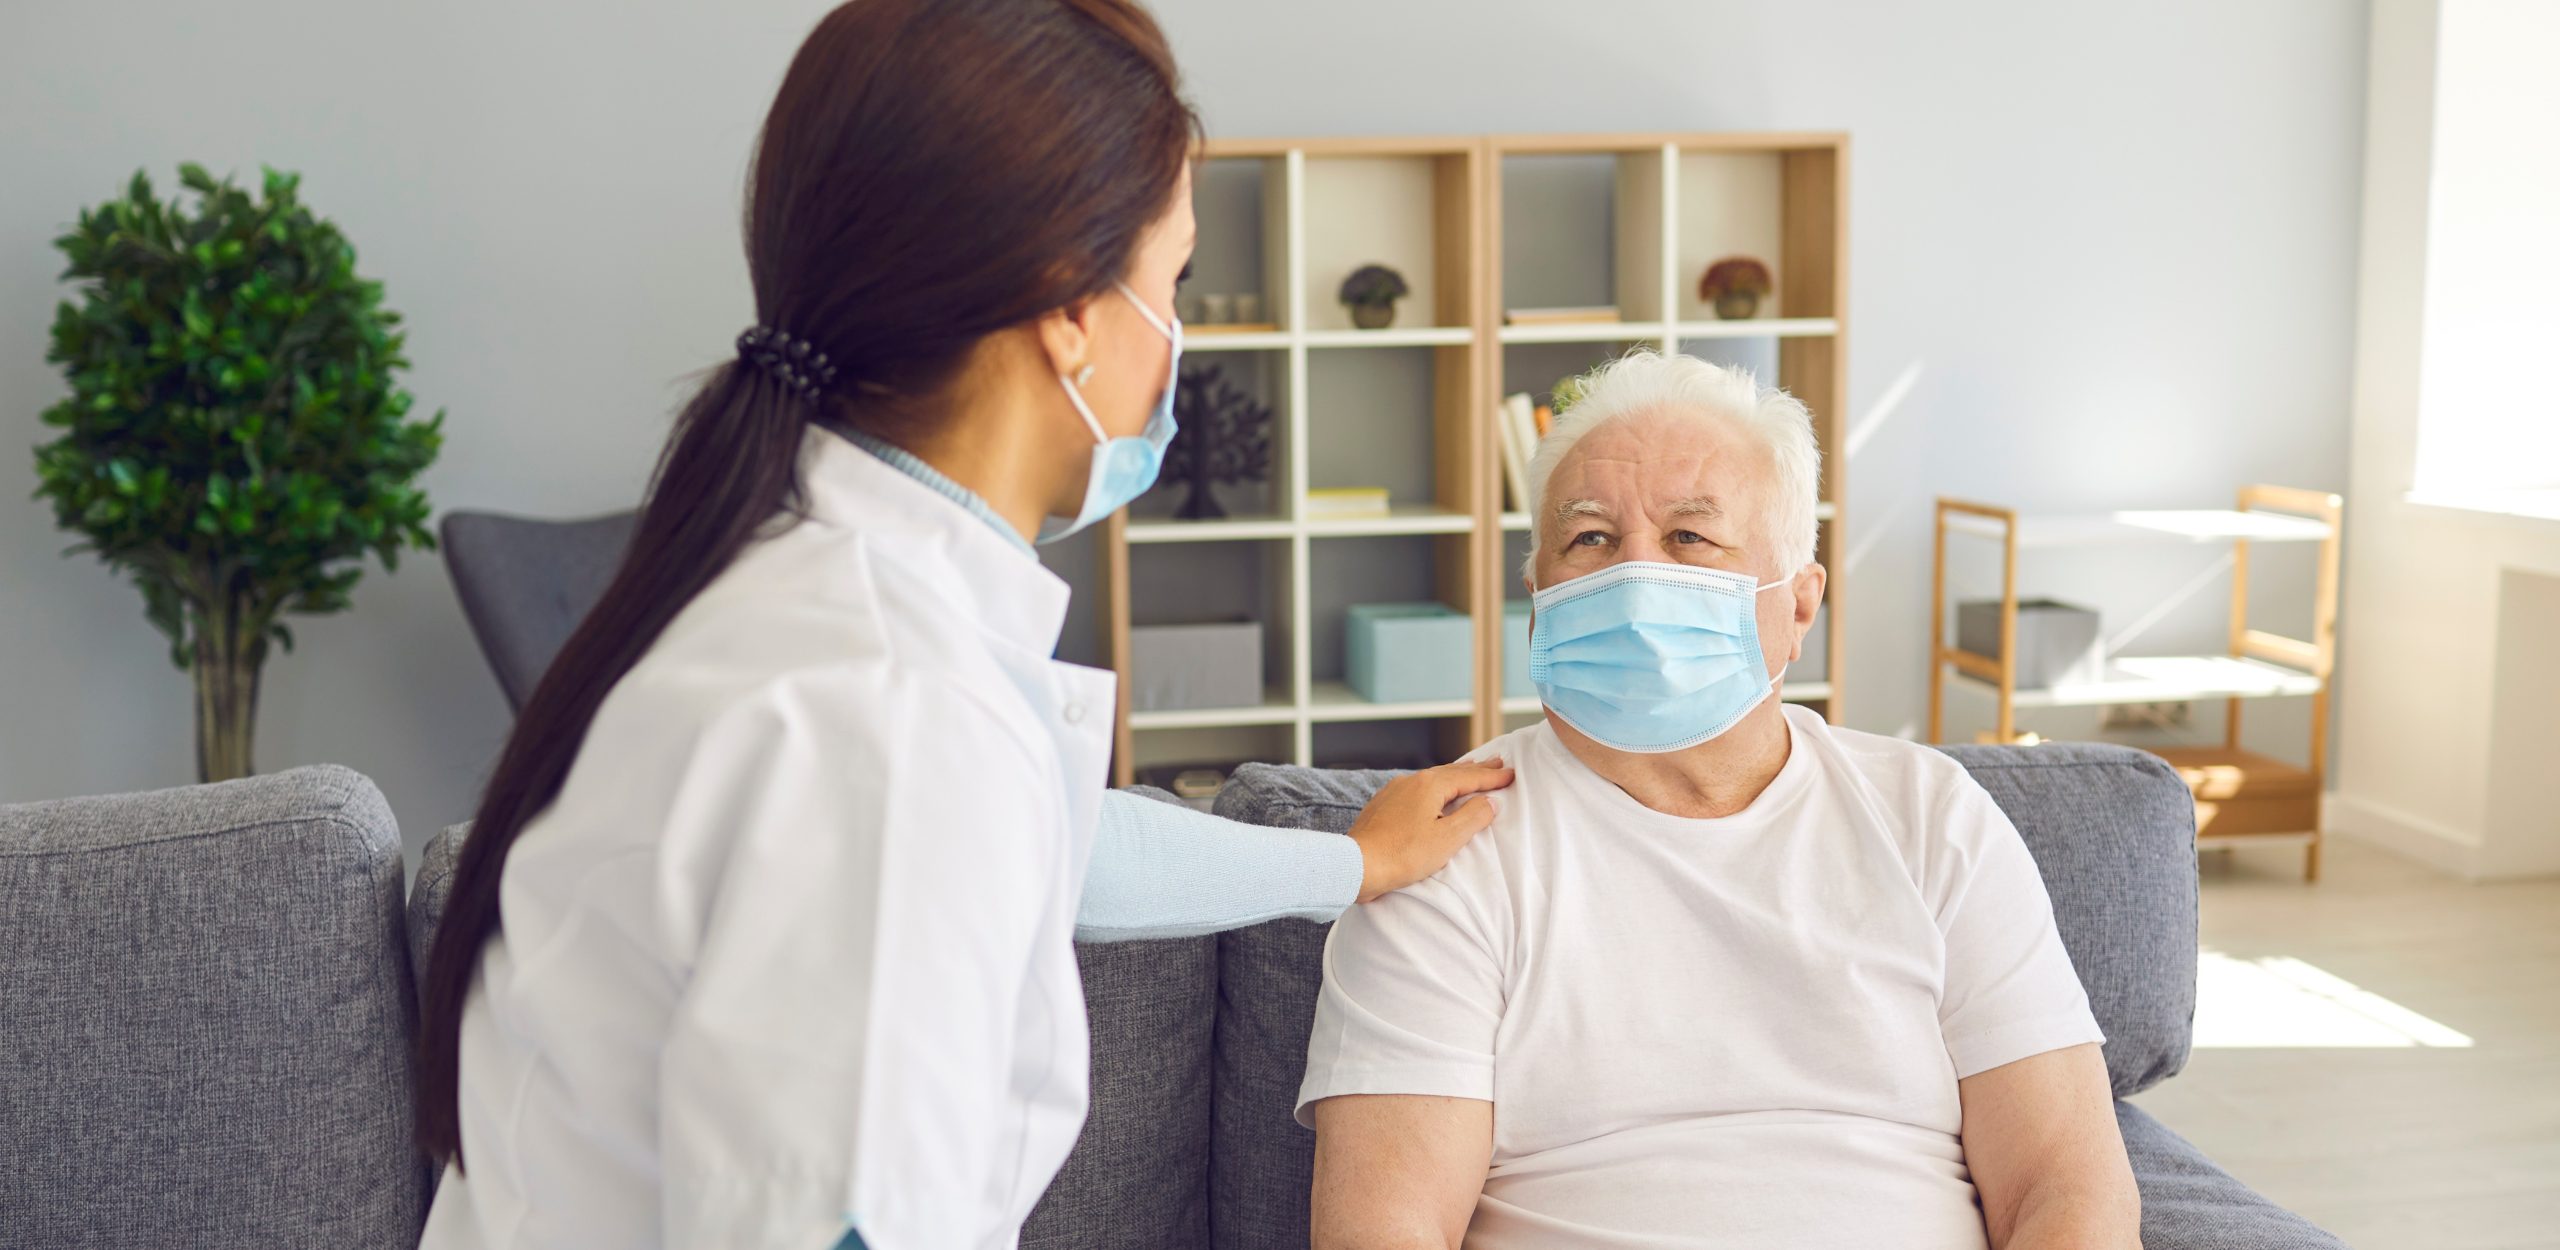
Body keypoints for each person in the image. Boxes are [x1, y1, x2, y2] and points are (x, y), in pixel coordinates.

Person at [411, 2, 1510, 1246]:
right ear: (1068, 310)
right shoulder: (889, 715)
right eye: (1174, 278)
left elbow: (1050, 841)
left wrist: (1347, 863)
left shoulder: (795, 604)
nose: (1177, 337)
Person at [1297, 351, 2138, 1250]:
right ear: (1537, 601)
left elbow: (2065, 1184)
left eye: (1691, 539)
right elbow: (1384, 1228)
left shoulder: (1932, 817)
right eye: (1589, 539)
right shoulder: (1442, 848)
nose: (1636, 577)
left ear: (1800, 606)